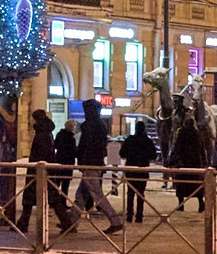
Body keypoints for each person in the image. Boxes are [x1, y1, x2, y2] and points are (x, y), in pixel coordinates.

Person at [15, 109, 75, 235]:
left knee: (39, 197)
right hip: (42, 170)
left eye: (32, 119)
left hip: (39, 170)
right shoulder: (46, 132)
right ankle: (23, 223)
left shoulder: (41, 134)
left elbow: (41, 153)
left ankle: (66, 223)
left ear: (37, 119)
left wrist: (37, 166)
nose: (31, 121)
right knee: (45, 198)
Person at [71, 101, 123, 234]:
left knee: (97, 194)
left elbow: (85, 146)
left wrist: (81, 159)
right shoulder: (100, 125)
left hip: (90, 163)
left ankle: (115, 220)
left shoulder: (90, 126)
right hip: (94, 162)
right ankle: (71, 222)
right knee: (81, 195)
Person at [119, 118, 156, 224]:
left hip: (131, 170)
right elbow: (153, 155)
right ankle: (139, 216)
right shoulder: (148, 141)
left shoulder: (129, 140)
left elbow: (122, 154)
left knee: (130, 193)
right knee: (141, 193)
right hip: (142, 170)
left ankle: (129, 215)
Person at [167, 117, 207, 213]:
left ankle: (181, 204)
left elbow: (177, 148)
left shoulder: (181, 134)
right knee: (197, 185)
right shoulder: (197, 135)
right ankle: (201, 203)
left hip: (183, 163)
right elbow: (202, 149)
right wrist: (204, 162)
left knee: (181, 185)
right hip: (195, 164)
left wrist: (173, 160)